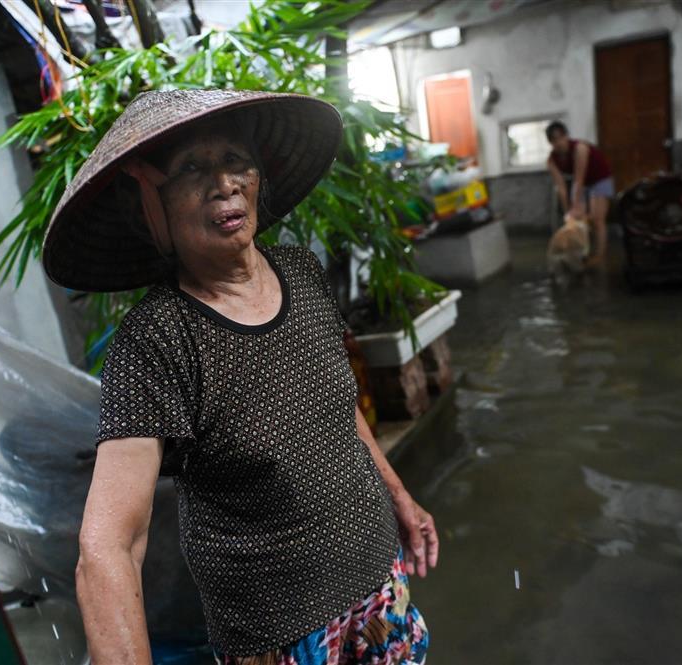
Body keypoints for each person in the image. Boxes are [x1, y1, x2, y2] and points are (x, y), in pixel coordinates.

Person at [44, 88, 436, 665]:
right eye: (192, 168)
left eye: (236, 160)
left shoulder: (300, 273)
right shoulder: (156, 343)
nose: (224, 182)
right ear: (151, 203)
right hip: (280, 636)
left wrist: (399, 496)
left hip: (379, 582)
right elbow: (110, 546)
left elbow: (336, 405)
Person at [545, 121, 615, 268]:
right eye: (553, 140)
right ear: (550, 142)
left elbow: (579, 179)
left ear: (566, 136)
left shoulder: (580, 148)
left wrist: (575, 204)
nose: (558, 143)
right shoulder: (551, 160)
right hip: (582, 183)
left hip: (599, 178)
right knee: (576, 218)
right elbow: (561, 188)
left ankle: (599, 256)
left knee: (597, 219)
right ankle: (582, 252)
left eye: (560, 138)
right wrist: (568, 211)